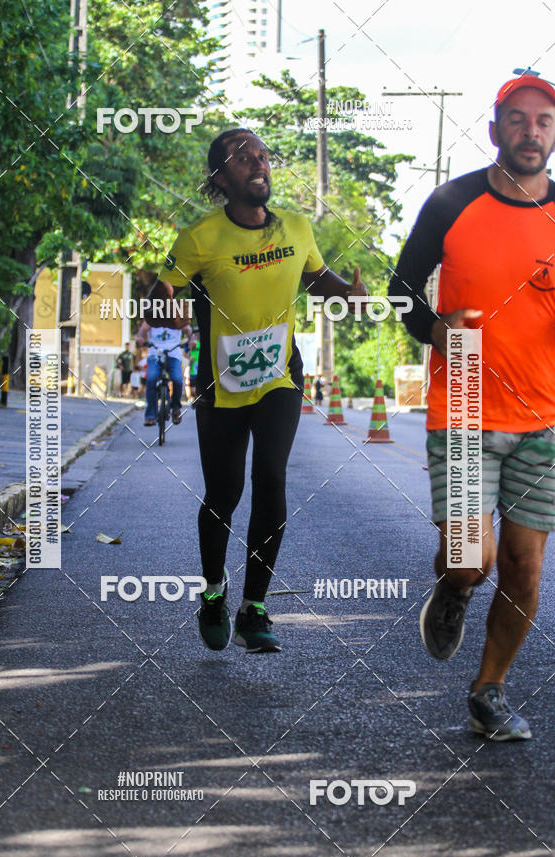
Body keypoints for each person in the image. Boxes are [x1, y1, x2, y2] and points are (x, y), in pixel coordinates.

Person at [145, 128, 367, 653]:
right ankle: (215, 591)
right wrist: (167, 303)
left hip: (279, 378)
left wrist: (348, 293)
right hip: (220, 384)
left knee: (271, 477)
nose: (258, 163)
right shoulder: (200, 238)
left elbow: (315, 276)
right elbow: (164, 287)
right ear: (221, 178)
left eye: (263, 155)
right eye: (243, 158)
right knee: (224, 492)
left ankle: (255, 606)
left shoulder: (296, 226)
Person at [389, 74, 555, 740]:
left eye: (543, 121)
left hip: (543, 420)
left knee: (524, 563)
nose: (531, 132)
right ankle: (454, 589)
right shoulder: (451, 201)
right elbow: (402, 289)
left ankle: (489, 690)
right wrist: (436, 330)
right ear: (495, 131)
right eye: (517, 120)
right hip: (460, 408)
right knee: (470, 556)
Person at [137, 318, 192, 426]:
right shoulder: (153, 314)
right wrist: (140, 338)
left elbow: (188, 331)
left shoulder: (177, 314)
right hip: (155, 354)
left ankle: (176, 408)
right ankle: (150, 415)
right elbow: (143, 330)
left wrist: (192, 339)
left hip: (173, 354)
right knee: (151, 379)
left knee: (177, 380)